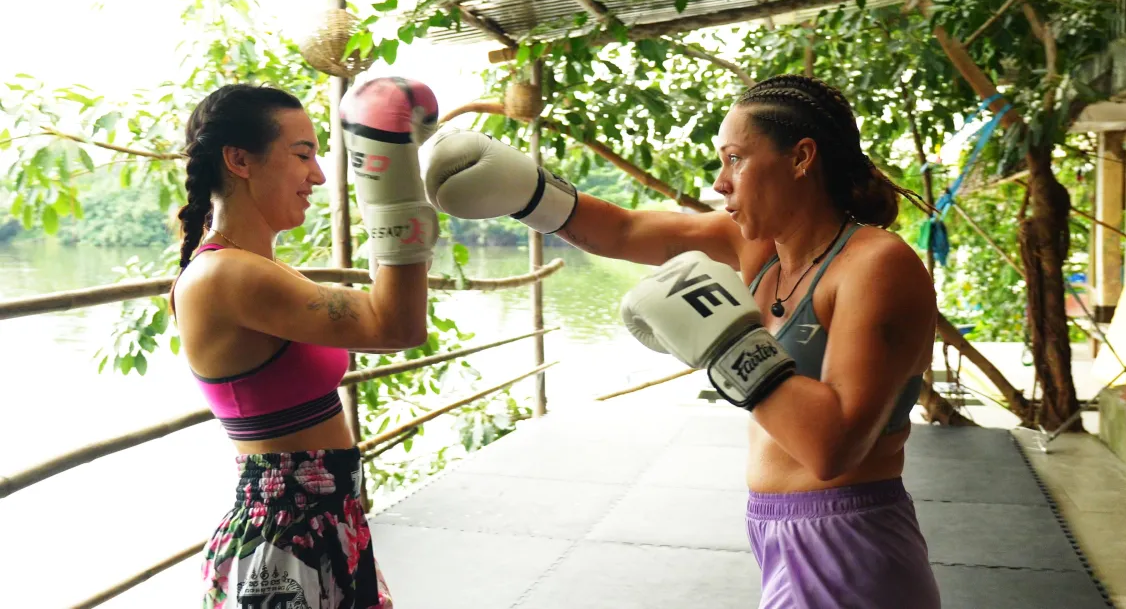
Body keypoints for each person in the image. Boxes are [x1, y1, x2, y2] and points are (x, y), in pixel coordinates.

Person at [423, 74, 942, 608]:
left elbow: (834, 448)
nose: (721, 182)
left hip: (851, 541)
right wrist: (526, 192)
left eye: (735, 159)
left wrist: (724, 344)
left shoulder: (875, 265)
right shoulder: (756, 248)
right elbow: (624, 231)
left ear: (801, 158)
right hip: (776, 531)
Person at [170, 77, 440, 608]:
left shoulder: (263, 271)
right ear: (239, 160)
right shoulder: (226, 276)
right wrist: (392, 178)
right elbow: (395, 326)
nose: (317, 175)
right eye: (302, 155)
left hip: (323, 523)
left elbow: (386, 314)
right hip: (285, 539)